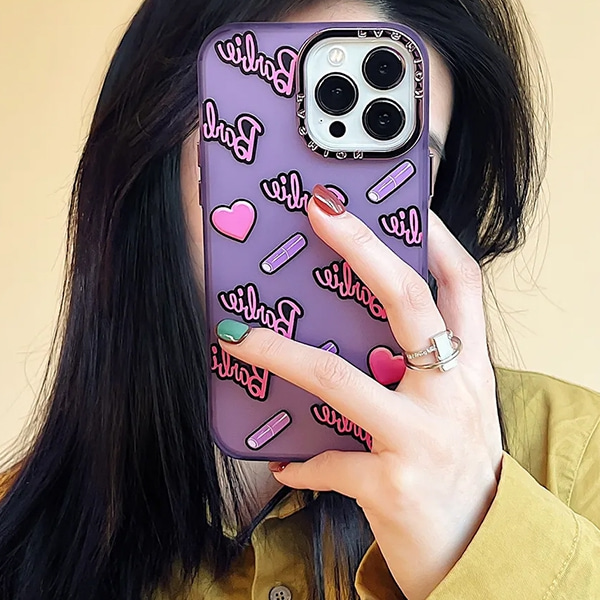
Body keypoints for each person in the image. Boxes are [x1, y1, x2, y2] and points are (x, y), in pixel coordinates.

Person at [1, 0, 599, 598]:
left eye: (397, 156)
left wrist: (475, 545)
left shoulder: (572, 453)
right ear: (152, 157)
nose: (318, 203)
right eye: (271, 137)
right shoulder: (18, 539)